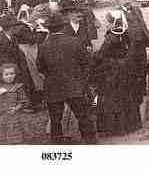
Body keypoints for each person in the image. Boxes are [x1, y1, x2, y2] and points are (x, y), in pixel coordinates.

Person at [36, 13, 97, 144]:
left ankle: (57, 142)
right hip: (74, 85)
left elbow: (40, 67)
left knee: (55, 118)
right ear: (63, 26)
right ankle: (90, 141)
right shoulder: (75, 41)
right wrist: (81, 79)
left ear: (49, 29)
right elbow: (87, 62)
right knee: (83, 116)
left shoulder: (43, 46)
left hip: (53, 87)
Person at [118, 0, 149, 114]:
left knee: (143, 64)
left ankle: (142, 87)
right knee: (131, 66)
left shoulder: (137, 9)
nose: (127, 1)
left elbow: (143, 24)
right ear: (119, 0)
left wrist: (147, 37)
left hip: (140, 42)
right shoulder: (117, 13)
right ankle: (134, 88)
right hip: (129, 44)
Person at [0, 16, 35, 106]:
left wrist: (23, 66)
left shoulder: (12, 38)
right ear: (11, 28)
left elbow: (20, 54)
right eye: (14, 27)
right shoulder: (2, 40)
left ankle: (27, 102)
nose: (16, 29)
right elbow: (5, 58)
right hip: (7, 69)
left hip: (16, 67)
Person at [0, 63, 30, 144]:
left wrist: (16, 108)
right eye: (6, 74)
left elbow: (23, 101)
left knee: (14, 133)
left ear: (15, 74)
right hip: (2, 114)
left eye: (12, 74)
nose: (9, 76)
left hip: (14, 115)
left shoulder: (18, 87)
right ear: (2, 76)